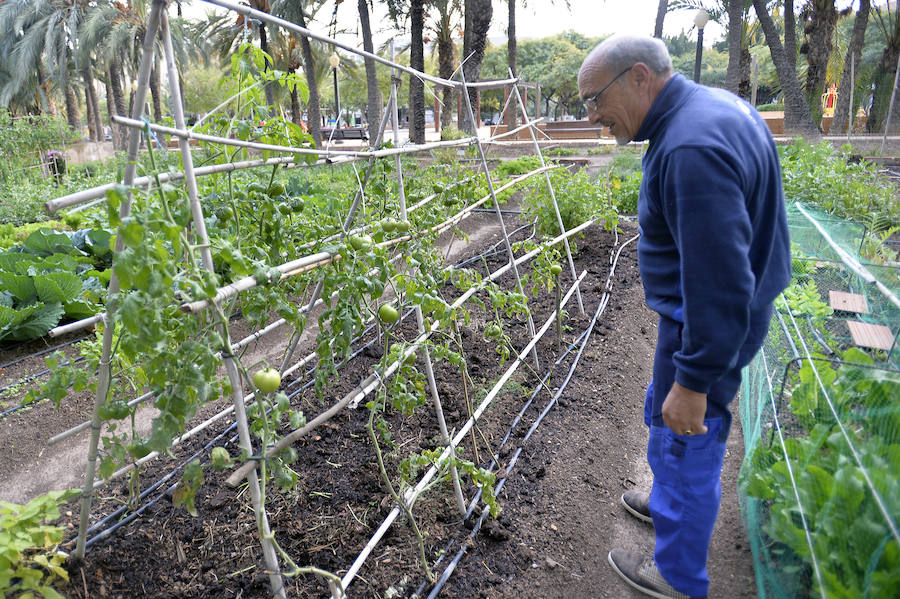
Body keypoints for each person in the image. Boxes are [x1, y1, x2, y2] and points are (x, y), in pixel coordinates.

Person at [577, 35, 791, 599]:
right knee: (664, 409)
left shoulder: (690, 148)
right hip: (701, 320)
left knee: (692, 431)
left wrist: (696, 378)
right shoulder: (711, 109)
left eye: (595, 99)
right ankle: (666, 497)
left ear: (640, 77)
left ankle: (677, 576)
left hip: (713, 322)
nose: (593, 116)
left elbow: (720, 280)